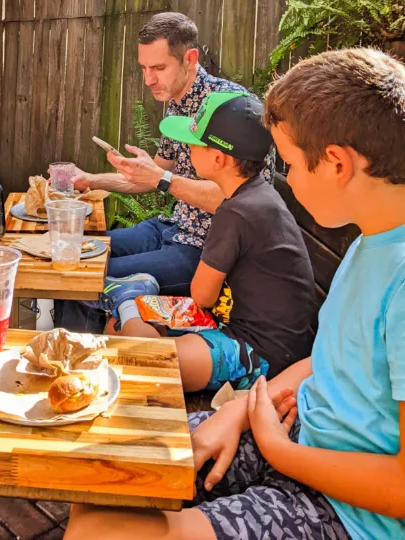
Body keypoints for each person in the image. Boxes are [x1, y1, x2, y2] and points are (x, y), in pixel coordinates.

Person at [64, 47, 405, 540]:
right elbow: (332, 358)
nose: (283, 179)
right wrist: (238, 412)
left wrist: (278, 447)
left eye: (288, 163)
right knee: (100, 462)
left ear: (335, 163)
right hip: (287, 427)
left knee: (99, 528)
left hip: (344, 505)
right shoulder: (371, 240)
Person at [55, 12, 274, 332]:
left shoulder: (231, 110)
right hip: (171, 226)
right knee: (77, 251)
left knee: (83, 277)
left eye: (158, 68)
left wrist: (161, 178)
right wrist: (92, 179)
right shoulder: (177, 103)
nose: (148, 80)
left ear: (190, 58)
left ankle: (81, 366)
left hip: (204, 251)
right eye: (144, 68)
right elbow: (157, 173)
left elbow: (240, 201)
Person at [99, 91, 315, 394]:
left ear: (218, 158)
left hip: (263, 354)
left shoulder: (235, 211)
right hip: (245, 329)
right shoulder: (255, 196)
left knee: (149, 364)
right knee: (119, 330)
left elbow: (202, 296)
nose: (187, 147)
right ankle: (131, 299)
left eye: (194, 141)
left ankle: (126, 296)